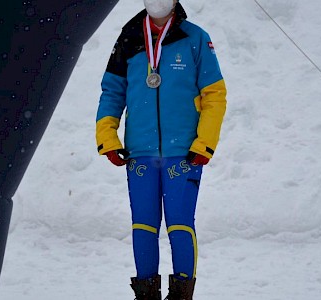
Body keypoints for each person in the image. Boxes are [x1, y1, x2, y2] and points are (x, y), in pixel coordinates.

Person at [96, 0, 226, 299]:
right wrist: (108, 136)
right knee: (143, 225)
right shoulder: (129, 38)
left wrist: (204, 142)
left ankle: (181, 293)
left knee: (180, 223)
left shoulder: (195, 38)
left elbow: (214, 95)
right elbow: (112, 91)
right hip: (140, 152)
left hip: (184, 152)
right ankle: (146, 293)